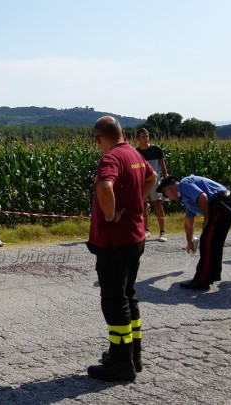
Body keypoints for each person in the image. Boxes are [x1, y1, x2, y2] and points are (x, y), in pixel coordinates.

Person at [86, 116, 157, 382]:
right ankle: (133, 356)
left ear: (98, 139)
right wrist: (137, 199)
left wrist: (110, 214)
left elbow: (105, 187)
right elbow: (152, 177)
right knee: (129, 296)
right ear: (123, 133)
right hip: (135, 237)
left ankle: (120, 363)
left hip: (114, 242)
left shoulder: (111, 157)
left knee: (114, 301)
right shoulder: (134, 153)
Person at [156, 175, 231, 290]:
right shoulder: (187, 198)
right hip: (225, 204)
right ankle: (212, 275)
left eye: (166, 196)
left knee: (207, 242)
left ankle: (202, 280)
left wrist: (207, 218)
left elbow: (202, 196)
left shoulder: (184, 184)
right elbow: (188, 223)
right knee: (214, 241)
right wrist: (189, 242)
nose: (169, 199)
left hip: (223, 204)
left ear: (169, 190)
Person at [135, 128, 169, 242]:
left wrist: (165, 179)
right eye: (143, 137)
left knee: (158, 204)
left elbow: (162, 165)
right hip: (142, 183)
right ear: (138, 138)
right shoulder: (136, 152)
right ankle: (146, 230)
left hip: (156, 182)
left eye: (147, 136)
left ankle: (162, 232)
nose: (146, 139)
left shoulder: (156, 149)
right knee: (143, 206)